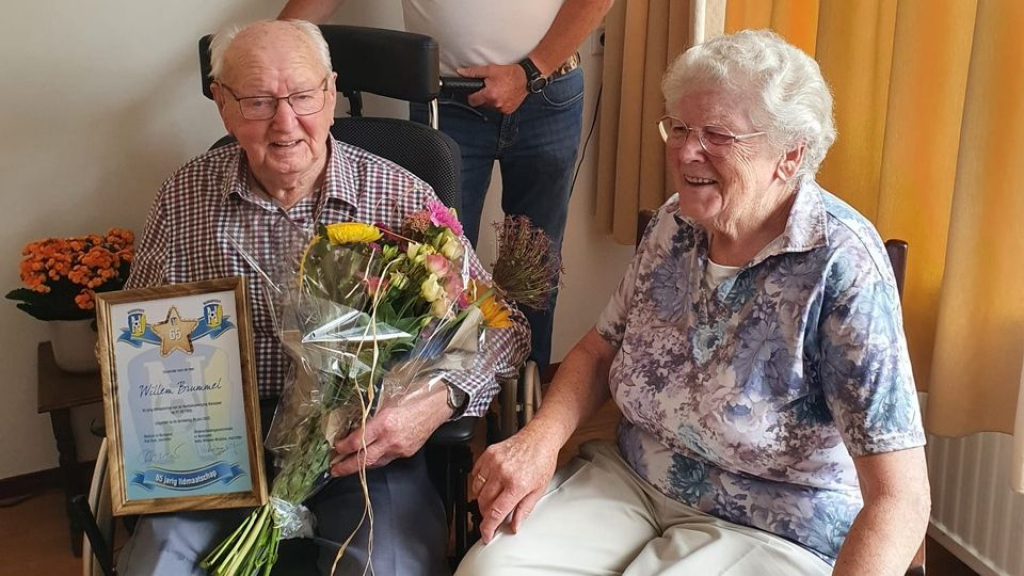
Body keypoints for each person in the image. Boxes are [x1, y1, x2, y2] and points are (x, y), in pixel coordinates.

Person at [458, 30, 930, 576]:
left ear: (789, 155)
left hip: (774, 524)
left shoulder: (842, 265)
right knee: (489, 570)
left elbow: (901, 498)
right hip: (633, 479)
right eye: (679, 128)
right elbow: (595, 351)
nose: (685, 152)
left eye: (718, 135)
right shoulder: (674, 223)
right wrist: (539, 441)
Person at [115, 19, 529, 576]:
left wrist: (439, 400)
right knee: (154, 565)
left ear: (331, 94)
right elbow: (135, 337)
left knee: (388, 565)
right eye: (258, 101)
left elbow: (500, 329)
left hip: (363, 442)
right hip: (215, 448)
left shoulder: (403, 196)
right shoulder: (184, 196)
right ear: (223, 105)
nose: (286, 122)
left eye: (304, 96)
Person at [278, 0, 614, 371]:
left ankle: (525, 404)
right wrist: (267, 48)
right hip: (447, 102)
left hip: (548, 91)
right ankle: (444, 402)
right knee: (437, 265)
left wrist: (529, 72)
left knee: (536, 262)